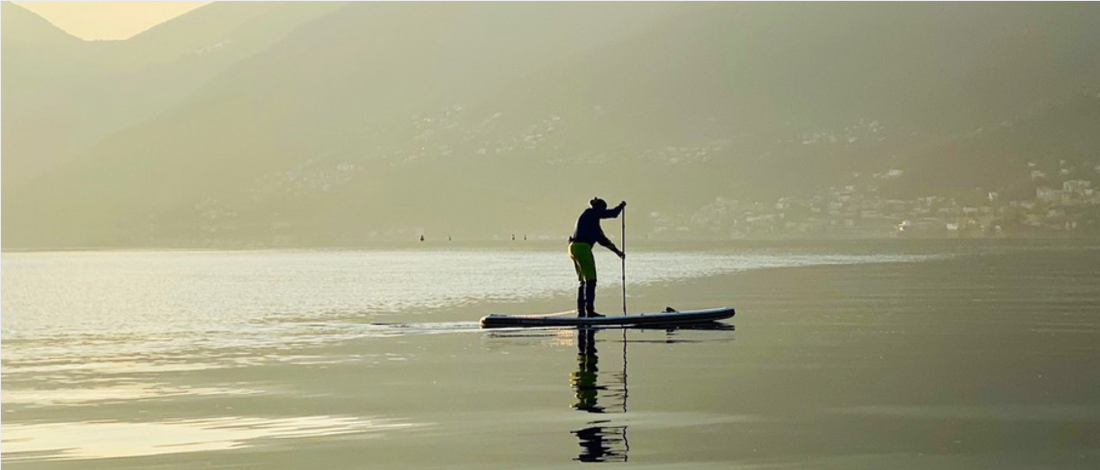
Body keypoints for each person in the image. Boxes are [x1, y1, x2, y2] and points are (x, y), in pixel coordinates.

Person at [568, 197, 625, 318]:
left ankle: (581, 312)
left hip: (572, 247)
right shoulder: (591, 212)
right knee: (591, 280)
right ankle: (590, 312)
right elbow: (613, 214)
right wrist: (620, 207)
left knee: (583, 281)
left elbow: (604, 240)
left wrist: (617, 252)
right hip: (582, 248)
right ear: (599, 208)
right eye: (602, 210)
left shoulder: (591, 222)